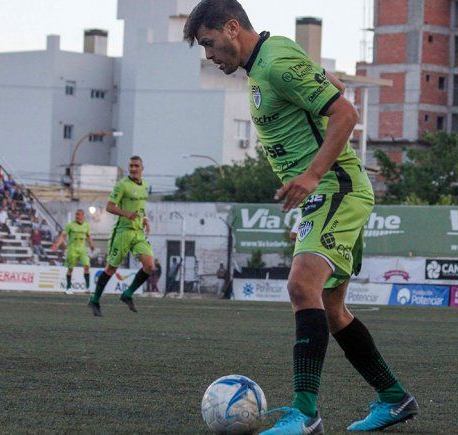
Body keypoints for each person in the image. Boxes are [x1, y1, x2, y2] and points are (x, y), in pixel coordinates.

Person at [185, 2, 418, 433]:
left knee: (300, 286)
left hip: (336, 188)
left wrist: (311, 175)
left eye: (209, 44)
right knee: (331, 308)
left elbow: (345, 114)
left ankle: (305, 414)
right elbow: (327, 87)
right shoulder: (265, 63)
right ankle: (394, 397)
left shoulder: (275, 62)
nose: (209, 56)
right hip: (325, 194)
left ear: (232, 28)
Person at [88, 156, 155, 317]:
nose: (133, 168)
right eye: (131, 166)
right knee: (111, 268)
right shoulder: (122, 185)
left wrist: (145, 220)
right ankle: (95, 300)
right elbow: (109, 207)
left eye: (136, 166)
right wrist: (126, 214)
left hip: (138, 232)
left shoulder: (145, 185)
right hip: (123, 232)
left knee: (150, 266)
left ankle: (128, 294)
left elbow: (140, 207)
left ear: (142, 168)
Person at [51, 209, 95, 295]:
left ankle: (88, 288)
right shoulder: (70, 225)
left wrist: (92, 245)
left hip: (82, 250)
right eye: (76, 215)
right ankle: (68, 288)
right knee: (70, 269)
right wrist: (57, 244)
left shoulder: (86, 225)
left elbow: (88, 236)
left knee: (87, 266)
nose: (77, 216)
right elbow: (63, 236)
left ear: (83, 216)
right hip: (72, 249)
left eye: (78, 215)